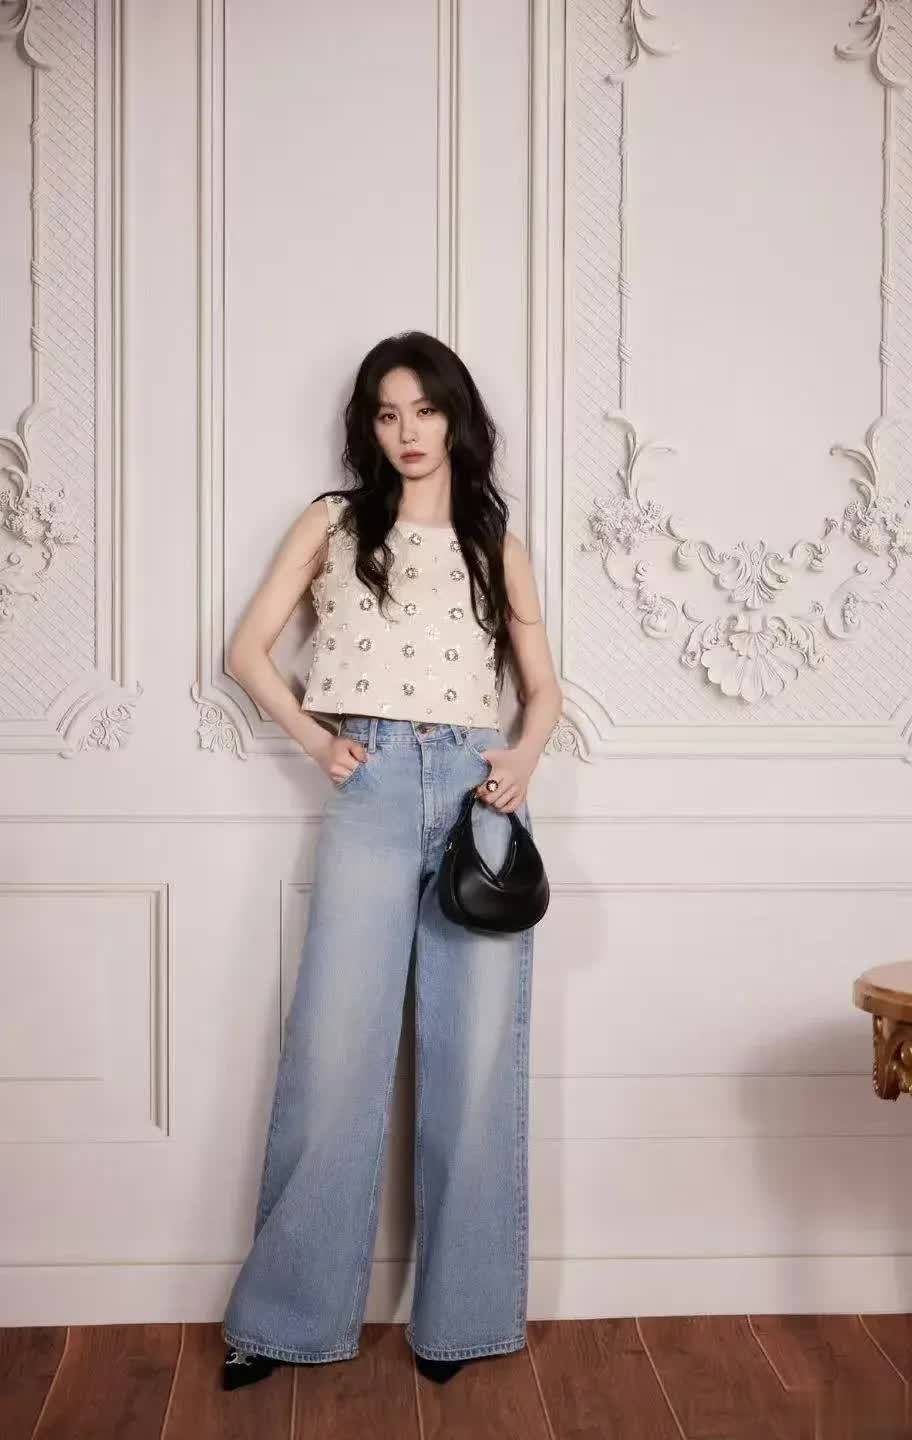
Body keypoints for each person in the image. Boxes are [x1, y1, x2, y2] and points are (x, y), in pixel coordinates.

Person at [219, 331, 563, 1391]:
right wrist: (317, 741)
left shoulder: (494, 539)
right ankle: (284, 1322)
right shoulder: (333, 523)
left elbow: (544, 687)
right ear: (369, 426)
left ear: (456, 417)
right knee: (334, 1055)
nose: (407, 431)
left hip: (475, 795)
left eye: (424, 409)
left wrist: (523, 758)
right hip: (369, 788)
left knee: (474, 1064)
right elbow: (245, 651)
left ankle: (462, 1323)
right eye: (386, 412)